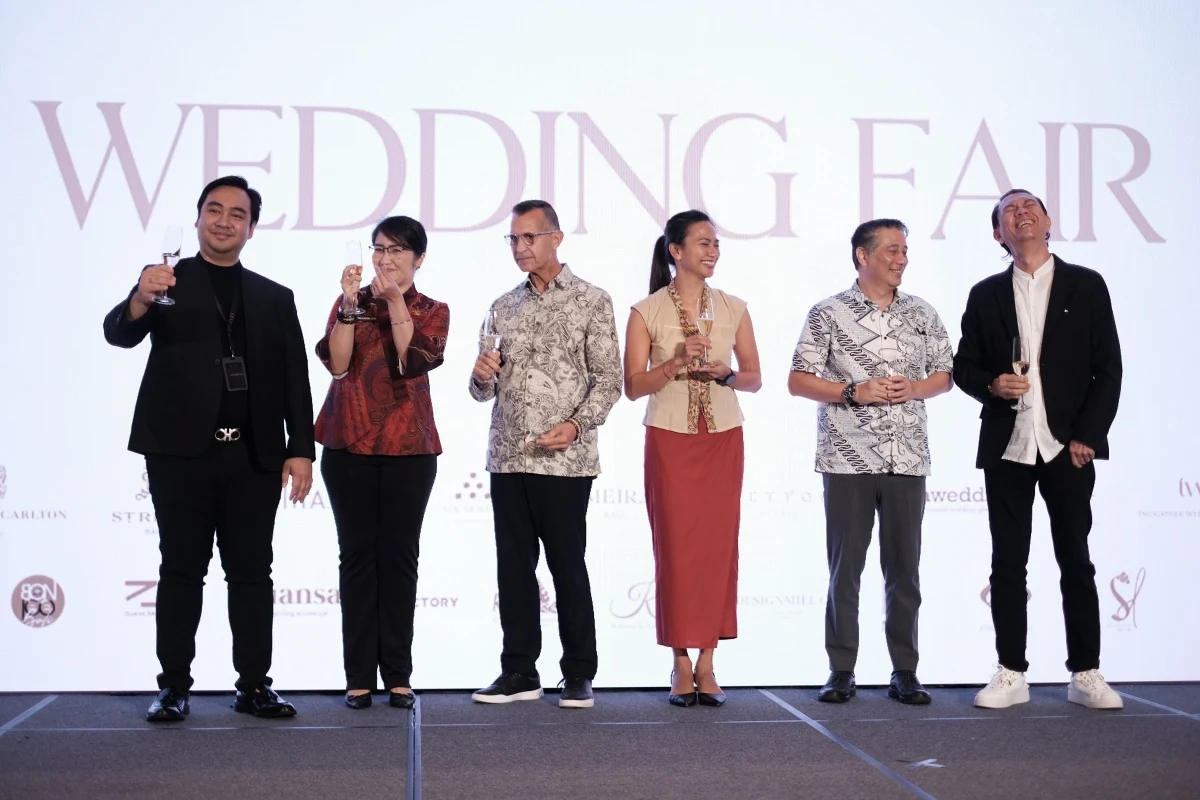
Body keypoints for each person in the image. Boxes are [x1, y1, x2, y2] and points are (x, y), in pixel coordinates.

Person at [102, 175, 315, 722]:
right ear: (197, 219)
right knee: (180, 569)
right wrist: (140, 296)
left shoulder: (274, 297)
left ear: (252, 228)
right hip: (180, 455)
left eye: (237, 214)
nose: (224, 221)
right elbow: (119, 334)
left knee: (252, 573)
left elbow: (295, 378)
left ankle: (254, 685)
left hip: (254, 456)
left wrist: (300, 449)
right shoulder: (165, 283)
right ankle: (173, 686)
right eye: (214, 210)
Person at [954, 189, 1123, 710]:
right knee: (1008, 561)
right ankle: (1011, 672)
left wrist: (1088, 435)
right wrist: (992, 385)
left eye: (1030, 206)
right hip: (1008, 444)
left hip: (1067, 446)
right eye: (1009, 210)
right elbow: (964, 366)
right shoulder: (985, 294)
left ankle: (1086, 672)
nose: (1021, 213)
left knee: (1076, 558)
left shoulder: (1086, 284)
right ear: (998, 234)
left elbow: (1108, 369)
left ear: (1048, 221)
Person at [789, 219, 953, 705]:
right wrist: (851, 392)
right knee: (845, 570)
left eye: (904, 250)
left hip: (907, 458)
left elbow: (945, 374)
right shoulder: (828, 312)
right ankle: (841, 669)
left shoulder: (922, 312)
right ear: (863, 256)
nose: (901, 259)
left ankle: (905, 671)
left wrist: (915, 387)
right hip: (847, 459)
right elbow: (798, 380)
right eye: (891, 251)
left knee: (905, 570)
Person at [468, 200, 622, 709]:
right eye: (513, 239)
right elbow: (481, 391)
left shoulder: (591, 301)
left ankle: (578, 672)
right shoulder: (501, 307)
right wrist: (481, 375)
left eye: (529, 237)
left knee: (566, 565)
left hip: (564, 460)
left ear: (556, 238)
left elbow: (609, 381)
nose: (520, 247)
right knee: (513, 568)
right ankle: (518, 671)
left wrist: (576, 426)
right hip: (509, 455)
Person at [622, 210, 761, 707]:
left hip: (722, 436)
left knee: (718, 549)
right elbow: (633, 386)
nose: (712, 251)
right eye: (703, 243)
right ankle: (680, 661)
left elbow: (754, 378)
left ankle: (708, 661)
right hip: (670, 438)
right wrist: (676, 361)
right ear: (675, 251)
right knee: (676, 551)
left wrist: (727, 374)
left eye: (716, 243)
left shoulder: (734, 307)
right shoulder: (646, 311)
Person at [313, 216, 449, 710]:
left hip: (409, 448)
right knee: (356, 559)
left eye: (397, 250)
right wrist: (350, 307)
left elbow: (411, 361)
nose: (385, 259)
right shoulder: (351, 303)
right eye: (379, 249)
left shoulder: (432, 310)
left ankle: (397, 674)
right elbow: (338, 365)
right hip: (347, 443)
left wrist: (394, 302)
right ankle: (357, 677)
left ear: (419, 258)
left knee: (399, 558)